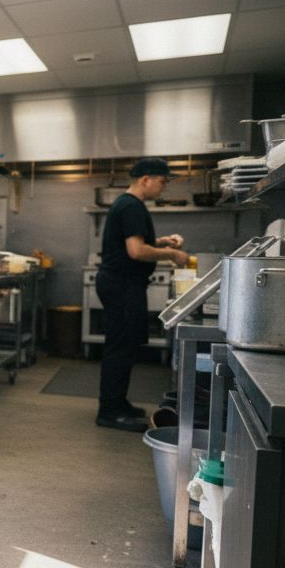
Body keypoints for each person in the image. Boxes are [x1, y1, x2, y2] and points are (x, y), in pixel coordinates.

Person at [96, 157, 189, 432]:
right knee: (120, 347)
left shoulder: (129, 205)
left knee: (126, 344)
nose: (163, 188)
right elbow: (136, 251)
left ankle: (118, 402)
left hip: (122, 284)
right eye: (162, 182)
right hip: (122, 284)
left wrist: (160, 242)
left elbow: (137, 243)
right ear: (145, 179)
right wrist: (172, 253)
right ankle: (110, 411)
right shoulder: (131, 206)